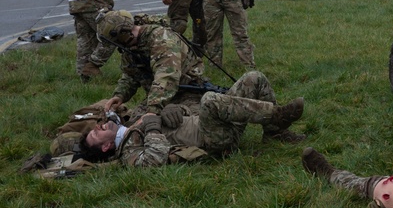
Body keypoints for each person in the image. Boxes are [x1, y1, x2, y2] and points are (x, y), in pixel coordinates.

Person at [80, 70, 306, 166]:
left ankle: (274, 132)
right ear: (106, 146)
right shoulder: (128, 152)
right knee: (209, 100)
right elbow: (154, 160)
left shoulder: (130, 122)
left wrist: (176, 110)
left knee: (253, 78)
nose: (100, 126)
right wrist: (152, 128)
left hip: (215, 123)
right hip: (214, 139)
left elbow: (181, 114)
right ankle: (277, 116)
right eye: (97, 133)